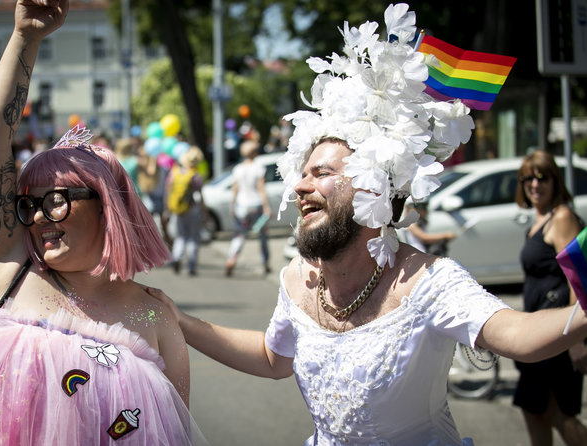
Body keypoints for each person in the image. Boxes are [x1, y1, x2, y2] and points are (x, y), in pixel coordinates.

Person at [146, 4, 587, 445]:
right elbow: (272, 357)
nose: (300, 186)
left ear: (374, 188)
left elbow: (517, 335)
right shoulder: (296, 280)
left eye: (321, 173)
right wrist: (178, 319)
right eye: (302, 173)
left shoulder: (426, 282)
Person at [0, 1, 206, 444]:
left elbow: (173, 431)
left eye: (54, 201)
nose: (36, 219)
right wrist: (25, 38)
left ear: (107, 204)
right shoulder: (3, 272)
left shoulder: (154, 316)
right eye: (27, 205)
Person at [513, 150, 587, 446]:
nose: (535, 184)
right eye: (528, 178)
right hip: (538, 330)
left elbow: (579, 278)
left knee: (559, 413)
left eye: (542, 177)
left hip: (559, 332)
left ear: (555, 181)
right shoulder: (538, 221)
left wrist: (577, 339)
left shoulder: (563, 217)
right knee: (534, 409)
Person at [225, 139, 272, 276]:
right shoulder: (259, 168)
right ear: (255, 153)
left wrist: (233, 206)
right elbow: (261, 188)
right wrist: (266, 206)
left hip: (242, 206)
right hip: (256, 205)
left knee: (239, 235)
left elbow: (235, 189)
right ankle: (265, 263)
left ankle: (231, 259)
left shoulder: (238, 169)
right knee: (263, 235)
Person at [165, 146, 205, 276]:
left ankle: (176, 258)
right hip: (192, 208)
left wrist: (168, 207)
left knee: (180, 236)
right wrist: (205, 211)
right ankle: (191, 266)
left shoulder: (175, 173)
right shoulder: (195, 176)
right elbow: (200, 195)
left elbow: (169, 190)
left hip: (178, 208)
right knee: (193, 237)